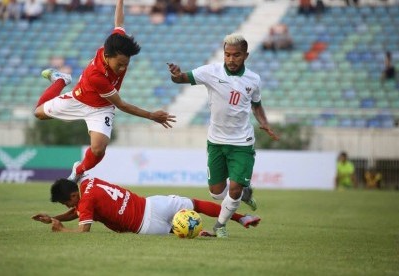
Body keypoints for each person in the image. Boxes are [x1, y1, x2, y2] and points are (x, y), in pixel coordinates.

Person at [33, 0, 176, 183]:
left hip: (102, 108)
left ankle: (78, 170)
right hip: (79, 100)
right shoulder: (97, 75)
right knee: (38, 113)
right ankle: (61, 80)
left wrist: (120, 1)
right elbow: (122, 104)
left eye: (127, 64)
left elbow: (119, 23)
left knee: (99, 149)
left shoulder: (116, 44)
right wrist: (151, 115)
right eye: (120, 64)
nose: (123, 68)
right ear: (107, 57)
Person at [167, 33, 279, 238]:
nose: (231, 59)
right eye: (227, 55)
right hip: (216, 141)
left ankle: (220, 226)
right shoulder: (211, 72)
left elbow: (256, 105)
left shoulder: (253, 79)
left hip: (242, 143)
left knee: (233, 189)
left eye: (236, 55)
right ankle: (244, 194)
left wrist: (264, 123)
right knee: (217, 192)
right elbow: (181, 78)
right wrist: (175, 74)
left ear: (245, 55)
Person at [32, 173, 261, 236]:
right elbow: (79, 211)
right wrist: (54, 217)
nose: (66, 208)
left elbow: (83, 228)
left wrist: (61, 228)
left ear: (73, 196)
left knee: (179, 232)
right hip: (153, 204)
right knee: (197, 204)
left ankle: (201, 234)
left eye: (64, 204)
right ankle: (242, 218)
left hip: (145, 227)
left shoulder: (85, 203)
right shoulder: (89, 182)